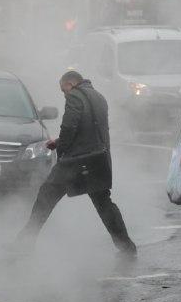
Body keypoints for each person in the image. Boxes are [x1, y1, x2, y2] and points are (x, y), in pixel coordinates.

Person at [13, 71, 137, 257]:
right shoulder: (99, 97)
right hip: (98, 158)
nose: (65, 94)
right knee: (104, 203)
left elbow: (70, 126)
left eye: (64, 90)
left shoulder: (75, 96)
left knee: (46, 196)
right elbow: (93, 129)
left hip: (77, 160)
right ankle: (127, 247)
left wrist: (60, 146)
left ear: (71, 84)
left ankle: (24, 243)